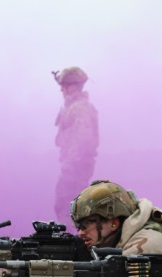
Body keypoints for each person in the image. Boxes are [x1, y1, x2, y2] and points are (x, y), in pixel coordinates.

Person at [52, 67, 99, 228]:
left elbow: (83, 141)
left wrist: (70, 167)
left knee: (69, 211)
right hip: (73, 170)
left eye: (64, 85)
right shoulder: (74, 107)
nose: (62, 90)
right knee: (66, 208)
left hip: (75, 172)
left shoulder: (80, 109)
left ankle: (73, 246)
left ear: (73, 86)